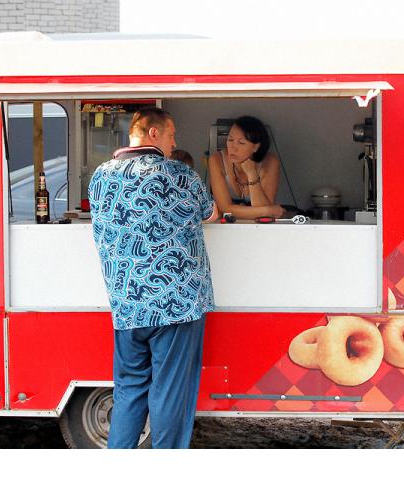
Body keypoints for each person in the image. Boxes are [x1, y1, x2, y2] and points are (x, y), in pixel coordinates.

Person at [88, 107, 217, 449]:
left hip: (127, 304)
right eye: (172, 135)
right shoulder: (179, 175)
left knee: (129, 390)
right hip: (177, 304)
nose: (175, 143)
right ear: (153, 133)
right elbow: (212, 213)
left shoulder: (100, 176)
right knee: (169, 392)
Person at [208, 115, 285, 220]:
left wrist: (252, 173)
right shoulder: (217, 160)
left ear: (256, 146)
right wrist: (268, 210)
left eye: (241, 142)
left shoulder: (270, 162)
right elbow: (224, 208)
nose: (233, 147)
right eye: (230, 140)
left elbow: (264, 216)